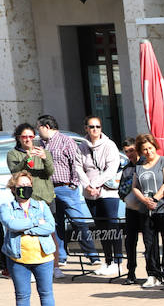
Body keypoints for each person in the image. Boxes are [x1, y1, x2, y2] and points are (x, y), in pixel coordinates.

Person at [36, 114, 99, 271]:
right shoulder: (41, 144)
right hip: (48, 189)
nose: (38, 131)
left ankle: (92, 255)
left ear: (46, 127)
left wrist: (73, 184)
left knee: (78, 221)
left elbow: (75, 163)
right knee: (56, 224)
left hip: (65, 187)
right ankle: (61, 256)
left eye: (39, 128)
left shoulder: (66, 141)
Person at [0, 172, 57, 306]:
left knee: (46, 293)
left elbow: (50, 227)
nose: (25, 188)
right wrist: (35, 221)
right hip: (17, 259)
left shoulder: (41, 205)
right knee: (22, 295)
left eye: (28, 185)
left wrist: (25, 228)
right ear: (13, 188)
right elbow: (11, 225)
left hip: (43, 258)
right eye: (21, 186)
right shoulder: (6, 207)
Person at [128, 133, 164, 289]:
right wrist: (145, 200)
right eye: (144, 149)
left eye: (150, 148)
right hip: (146, 209)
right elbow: (135, 186)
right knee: (150, 243)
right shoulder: (139, 166)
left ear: (155, 146)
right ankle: (153, 274)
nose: (148, 152)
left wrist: (155, 199)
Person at [78, 115, 124, 277]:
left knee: (112, 226)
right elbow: (78, 168)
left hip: (108, 192)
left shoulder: (109, 145)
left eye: (97, 126)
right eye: (91, 127)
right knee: (101, 228)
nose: (95, 130)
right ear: (86, 128)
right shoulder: (81, 146)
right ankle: (108, 261)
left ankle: (118, 262)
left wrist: (95, 183)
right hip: (90, 192)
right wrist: (88, 186)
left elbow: (112, 169)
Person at [115, 138, 142, 284]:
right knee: (130, 242)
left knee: (150, 242)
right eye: (126, 152)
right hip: (131, 210)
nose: (129, 154)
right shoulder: (126, 169)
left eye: (131, 150)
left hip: (145, 209)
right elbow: (121, 191)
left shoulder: (145, 165)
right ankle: (131, 273)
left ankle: (154, 272)